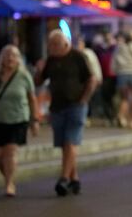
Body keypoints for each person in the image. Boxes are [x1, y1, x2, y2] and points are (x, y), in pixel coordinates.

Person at [35, 30, 95, 197]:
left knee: (70, 141)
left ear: (65, 44)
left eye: (55, 45)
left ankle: (63, 178)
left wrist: (84, 99)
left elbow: (92, 79)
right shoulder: (51, 60)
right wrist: (39, 70)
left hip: (76, 105)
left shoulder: (78, 57)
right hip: (57, 107)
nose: (52, 48)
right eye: (50, 45)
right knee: (64, 144)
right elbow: (38, 81)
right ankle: (74, 178)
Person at [0, 45, 41, 197]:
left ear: (18, 58)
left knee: (10, 152)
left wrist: (35, 120)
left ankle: (9, 183)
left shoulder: (24, 75)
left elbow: (32, 98)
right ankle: (8, 176)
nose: (10, 58)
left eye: (13, 55)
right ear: (2, 58)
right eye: (7, 55)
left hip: (18, 118)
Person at [77, 37, 103, 121]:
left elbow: (94, 67)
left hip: (90, 80)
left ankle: (85, 117)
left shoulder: (86, 53)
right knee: (86, 98)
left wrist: (98, 77)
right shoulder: (84, 53)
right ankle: (85, 117)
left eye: (79, 43)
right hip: (88, 80)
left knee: (86, 98)